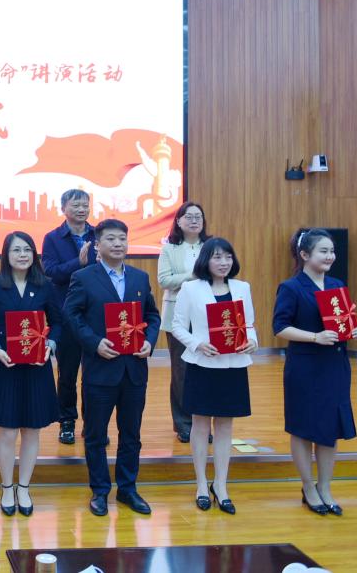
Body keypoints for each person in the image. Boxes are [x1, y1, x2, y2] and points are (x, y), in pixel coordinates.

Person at [65, 218, 161, 517]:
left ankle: (128, 489)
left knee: (131, 433)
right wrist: (94, 343)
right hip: (100, 369)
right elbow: (71, 315)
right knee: (95, 434)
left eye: (122, 238)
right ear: (97, 244)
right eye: (110, 239)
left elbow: (152, 316)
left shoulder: (139, 278)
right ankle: (100, 490)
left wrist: (149, 341)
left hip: (134, 369)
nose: (118, 244)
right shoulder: (83, 277)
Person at [273, 228, 357, 517]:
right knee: (303, 428)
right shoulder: (291, 287)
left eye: (332, 251)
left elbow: (345, 321)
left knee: (329, 427)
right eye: (323, 251)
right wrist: (315, 337)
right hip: (304, 367)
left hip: (334, 366)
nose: (330, 256)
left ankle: (325, 486)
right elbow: (280, 327)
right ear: (304, 255)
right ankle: (308, 487)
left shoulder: (337, 285)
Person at [171, 237, 258, 514]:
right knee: (200, 425)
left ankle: (221, 485)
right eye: (217, 257)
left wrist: (252, 341)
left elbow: (249, 324)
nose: (224, 262)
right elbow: (177, 326)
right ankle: (200, 484)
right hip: (203, 364)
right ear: (205, 260)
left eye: (228, 257)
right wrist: (197, 344)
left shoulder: (242, 287)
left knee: (225, 426)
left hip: (233, 365)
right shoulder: (191, 288)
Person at [0, 231, 61, 518]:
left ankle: (24, 487)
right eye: (16, 250)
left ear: (34, 254)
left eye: (27, 249)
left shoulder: (45, 285)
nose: (22, 255)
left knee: (32, 429)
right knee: (8, 430)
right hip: (5, 365)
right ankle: (6, 487)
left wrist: (50, 344)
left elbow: (58, 322)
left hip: (37, 366)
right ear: (6, 254)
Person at [41, 188, 97, 445]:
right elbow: (51, 272)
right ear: (63, 208)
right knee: (67, 373)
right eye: (76, 205)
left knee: (94, 373)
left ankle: (92, 423)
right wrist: (79, 263)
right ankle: (67, 422)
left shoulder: (99, 234)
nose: (81, 209)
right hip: (66, 313)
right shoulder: (53, 238)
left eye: (85, 205)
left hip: (95, 313)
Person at [157, 201, 210, 443]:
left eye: (198, 216)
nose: (194, 220)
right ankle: (183, 423)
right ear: (178, 221)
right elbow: (164, 281)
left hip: (207, 315)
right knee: (182, 371)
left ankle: (203, 423)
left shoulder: (210, 246)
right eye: (189, 216)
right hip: (178, 315)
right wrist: (193, 275)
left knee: (205, 370)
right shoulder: (169, 249)